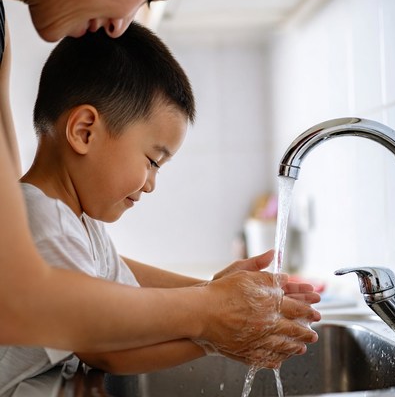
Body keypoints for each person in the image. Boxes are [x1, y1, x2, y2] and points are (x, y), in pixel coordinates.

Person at [0, 22, 321, 394]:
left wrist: (219, 295)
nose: (151, 184)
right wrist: (214, 332)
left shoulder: (78, 224)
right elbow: (109, 351)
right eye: (153, 161)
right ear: (84, 131)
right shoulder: (46, 223)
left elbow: (133, 303)